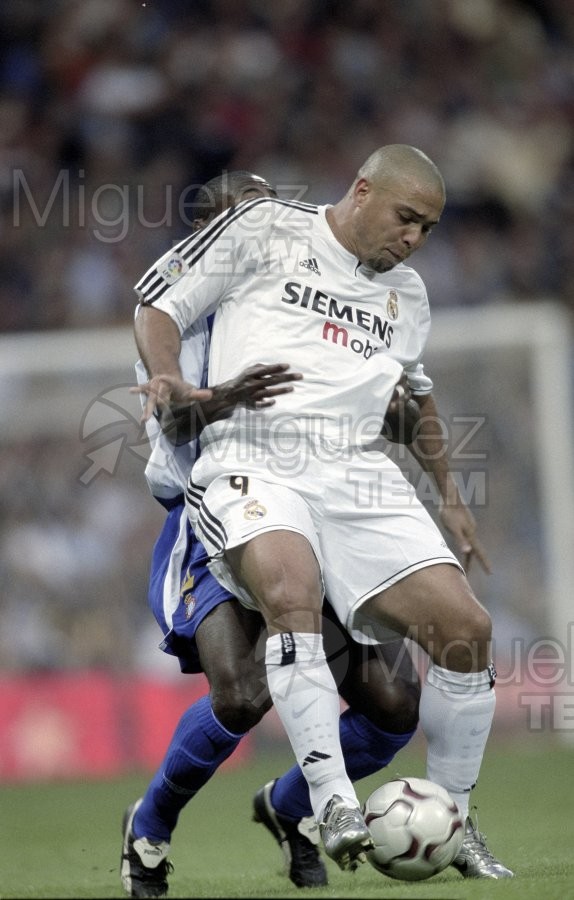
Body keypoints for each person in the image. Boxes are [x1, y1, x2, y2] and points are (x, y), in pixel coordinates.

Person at [132, 147, 513, 880]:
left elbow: (412, 396)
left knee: (465, 633)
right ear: (362, 190)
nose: (414, 239)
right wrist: (180, 386)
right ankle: (329, 802)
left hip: (354, 474)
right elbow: (157, 305)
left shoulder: (406, 294)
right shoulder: (263, 233)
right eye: (407, 219)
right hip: (246, 470)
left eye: (428, 228)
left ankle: (456, 820)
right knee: (272, 630)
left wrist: (452, 500)